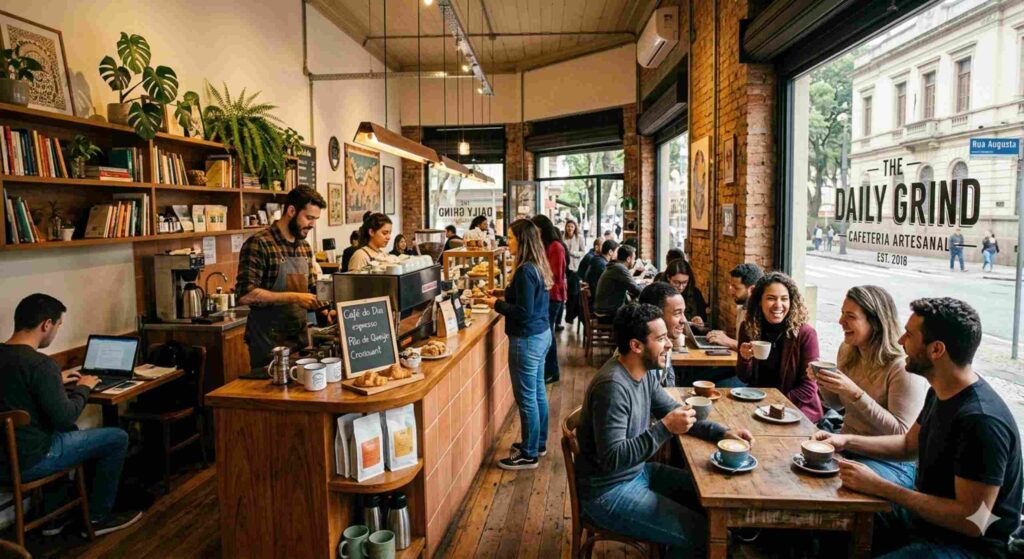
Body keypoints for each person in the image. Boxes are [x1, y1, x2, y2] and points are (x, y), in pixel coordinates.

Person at [818, 298, 1022, 558]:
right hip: (927, 523)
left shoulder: (981, 421)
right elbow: (907, 445)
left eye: (909, 334)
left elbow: (973, 521)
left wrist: (881, 487)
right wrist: (844, 441)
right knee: (831, 523)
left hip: (968, 547)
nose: (901, 340)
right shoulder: (941, 390)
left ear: (936, 350)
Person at [574, 303, 754, 556]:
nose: (669, 344)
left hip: (636, 473)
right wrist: (665, 428)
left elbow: (676, 411)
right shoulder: (613, 387)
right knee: (707, 535)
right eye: (660, 339)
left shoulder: (644, 372)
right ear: (636, 346)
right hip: (607, 491)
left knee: (713, 500)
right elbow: (612, 458)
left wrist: (721, 432)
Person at [0, 294, 141, 535]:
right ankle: (96, 518)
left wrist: (56, 380)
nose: (55, 331)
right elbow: (65, 416)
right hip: (31, 461)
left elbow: (19, 390)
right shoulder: (40, 364)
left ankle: (55, 514)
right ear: (46, 324)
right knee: (117, 438)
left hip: (3, 458)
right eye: (57, 325)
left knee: (68, 433)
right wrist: (84, 387)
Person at [810, 286, 927, 487]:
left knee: (829, 489)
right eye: (841, 313)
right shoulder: (848, 350)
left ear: (876, 322)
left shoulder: (902, 367)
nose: (841, 321)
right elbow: (836, 405)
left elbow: (902, 434)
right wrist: (823, 382)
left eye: (850, 316)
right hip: (847, 447)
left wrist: (856, 394)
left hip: (890, 463)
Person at [480, 220, 552, 470]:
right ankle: (539, 443)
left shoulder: (523, 271)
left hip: (527, 340)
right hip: (542, 335)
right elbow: (525, 298)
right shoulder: (537, 266)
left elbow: (522, 311)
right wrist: (500, 294)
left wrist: (495, 305)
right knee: (538, 392)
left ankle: (529, 453)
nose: (507, 242)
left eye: (510, 238)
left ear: (522, 241)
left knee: (526, 398)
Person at [237, 186, 324, 370]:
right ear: (291, 211)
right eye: (308, 218)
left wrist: (324, 310)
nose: (312, 225)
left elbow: (310, 290)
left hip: (298, 341)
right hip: (268, 344)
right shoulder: (259, 243)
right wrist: (293, 297)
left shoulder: (304, 247)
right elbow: (245, 294)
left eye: (315, 219)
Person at [736, 271, 824, 422]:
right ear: (759, 301)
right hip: (759, 406)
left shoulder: (805, 334)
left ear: (792, 302)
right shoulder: (748, 328)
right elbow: (744, 377)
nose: (778, 305)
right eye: (771, 298)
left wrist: (774, 405)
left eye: (784, 299)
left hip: (798, 410)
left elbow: (809, 388)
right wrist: (745, 359)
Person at [531, 215, 566, 384]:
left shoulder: (556, 247)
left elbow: (556, 275)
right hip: (549, 295)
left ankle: (552, 371)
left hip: (554, 296)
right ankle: (549, 370)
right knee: (548, 334)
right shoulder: (547, 246)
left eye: (535, 228)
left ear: (542, 228)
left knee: (549, 334)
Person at [637, 282, 686, 387]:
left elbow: (668, 380)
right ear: (654, 314)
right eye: (677, 313)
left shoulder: (665, 342)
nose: (684, 320)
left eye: (683, 313)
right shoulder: (643, 353)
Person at [707, 263, 764, 350]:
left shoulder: (763, 314)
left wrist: (728, 341)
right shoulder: (742, 309)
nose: (731, 291)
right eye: (731, 286)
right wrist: (723, 336)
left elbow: (757, 350)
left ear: (752, 290)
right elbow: (742, 341)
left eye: (736, 288)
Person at [594, 245, 642, 323]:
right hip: (608, 315)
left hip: (603, 310)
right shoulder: (620, 268)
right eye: (634, 258)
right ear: (629, 259)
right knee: (641, 316)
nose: (634, 261)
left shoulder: (614, 266)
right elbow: (636, 290)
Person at [660, 258, 709, 326]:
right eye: (676, 282)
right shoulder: (658, 292)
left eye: (684, 282)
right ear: (668, 278)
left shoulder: (695, 294)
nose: (681, 287)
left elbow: (704, 323)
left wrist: (699, 322)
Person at [563, 220, 586, 327]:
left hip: (575, 269)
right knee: (567, 294)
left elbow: (583, 252)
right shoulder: (563, 238)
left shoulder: (579, 238)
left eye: (572, 226)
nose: (570, 228)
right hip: (565, 269)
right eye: (568, 226)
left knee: (573, 294)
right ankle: (569, 316)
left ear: (575, 228)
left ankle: (571, 316)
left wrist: (572, 253)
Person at [585, 240, 618, 304]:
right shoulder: (601, 264)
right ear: (610, 252)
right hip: (599, 302)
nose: (617, 255)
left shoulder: (598, 259)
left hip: (597, 298)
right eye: (616, 252)